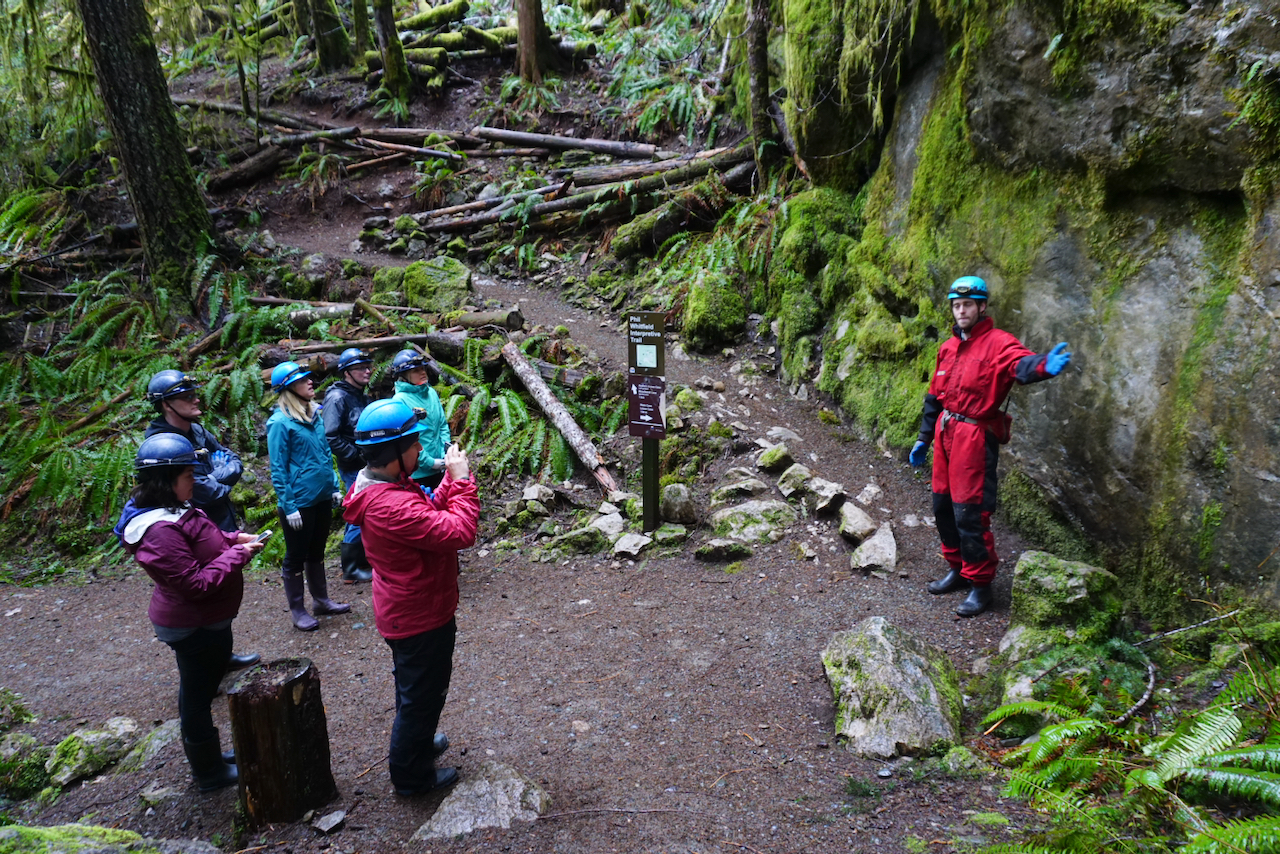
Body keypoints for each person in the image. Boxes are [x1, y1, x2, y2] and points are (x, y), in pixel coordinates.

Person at [909, 276, 1072, 617]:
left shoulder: (998, 343)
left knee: (970, 512)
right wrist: (924, 438)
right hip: (945, 432)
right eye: (956, 305)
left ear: (982, 307)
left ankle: (981, 586)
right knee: (942, 507)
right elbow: (934, 396)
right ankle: (957, 568)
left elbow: (1020, 363)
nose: (962, 311)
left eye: (968, 304)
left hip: (974, 437)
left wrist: (1043, 366)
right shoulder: (948, 348)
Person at [112, 433, 265, 792]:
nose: (194, 483)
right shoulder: (158, 531)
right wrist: (239, 556)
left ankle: (211, 758)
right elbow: (194, 583)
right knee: (196, 699)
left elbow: (202, 540)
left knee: (199, 689)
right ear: (166, 482)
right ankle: (208, 772)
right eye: (187, 477)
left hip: (207, 622)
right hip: (192, 625)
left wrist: (232, 541)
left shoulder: (174, 510)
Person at [342, 399, 478, 796]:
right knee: (421, 696)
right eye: (414, 444)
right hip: (418, 614)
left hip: (412, 607)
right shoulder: (389, 505)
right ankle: (411, 776)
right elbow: (458, 532)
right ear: (394, 453)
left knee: (417, 691)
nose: (420, 451)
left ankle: (418, 743)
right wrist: (463, 481)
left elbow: (431, 514)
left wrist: (450, 482)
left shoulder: (388, 486)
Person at [144, 369, 259, 670]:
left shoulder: (197, 430)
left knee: (226, 584)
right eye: (185, 396)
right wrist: (217, 478)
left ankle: (222, 657)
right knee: (201, 590)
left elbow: (233, 460)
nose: (196, 398)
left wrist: (217, 476)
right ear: (166, 404)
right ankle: (203, 669)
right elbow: (206, 492)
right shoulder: (161, 443)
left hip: (218, 521)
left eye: (194, 392)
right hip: (189, 528)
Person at [266, 361, 351, 631]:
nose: (311, 382)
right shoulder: (280, 422)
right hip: (298, 501)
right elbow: (278, 467)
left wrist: (334, 486)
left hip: (321, 495)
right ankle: (298, 610)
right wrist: (288, 505)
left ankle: (321, 600)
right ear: (290, 388)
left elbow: (326, 454)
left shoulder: (315, 414)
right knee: (295, 555)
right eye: (304, 380)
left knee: (316, 551)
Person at [323, 348, 375, 584]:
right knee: (358, 511)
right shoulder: (337, 398)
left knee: (368, 510)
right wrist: (355, 456)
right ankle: (350, 568)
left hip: (367, 463)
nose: (367, 371)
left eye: (368, 366)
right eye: (360, 368)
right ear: (346, 372)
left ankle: (363, 559)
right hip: (354, 466)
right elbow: (331, 436)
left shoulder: (360, 394)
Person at [389, 349, 451, 490]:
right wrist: (429, 462)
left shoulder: (431, 393)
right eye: (416, 370)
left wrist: (445, 452)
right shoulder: (399, 401)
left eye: (422, 368)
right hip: (418, 472)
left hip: (441, 467)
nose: (422, 372)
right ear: (403, 376)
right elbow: (407, 440)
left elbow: (442, 424)